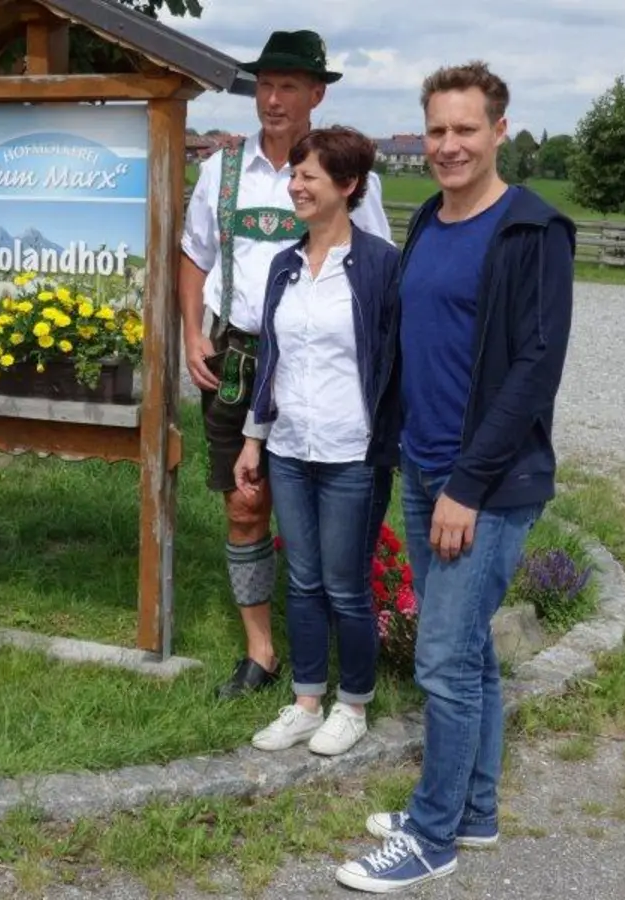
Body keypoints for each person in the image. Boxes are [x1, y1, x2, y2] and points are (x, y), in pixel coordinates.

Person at [335, 61, 575, 893]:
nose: (449, 145)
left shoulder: (533, 231)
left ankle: (431, 836)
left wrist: (467, 486)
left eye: (465, 129)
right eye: (437, 130)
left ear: (499, 131)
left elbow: (534, 371)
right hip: (424, 462)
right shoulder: (430, 225)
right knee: (468, 652)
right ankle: (473, 811)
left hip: (489, 481)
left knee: (439, 659)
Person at [180, 30, 392, 701]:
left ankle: (333, 648)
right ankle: (262, 651)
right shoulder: (223, 170)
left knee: (324, 508)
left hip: (314, 365)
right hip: (237, 354)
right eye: (265, 85)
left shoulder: (354, 180)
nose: (272, 99)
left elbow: (379, 279)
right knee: (245, 508)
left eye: (289, 86)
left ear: (316, 94)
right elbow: (194, 255)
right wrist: (191, 332)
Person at [233, 127, 400, 758]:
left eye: (309, 177)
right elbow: (271, 359)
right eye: (294, 175)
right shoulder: (284, 264)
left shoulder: (382, 266)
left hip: (352, 452)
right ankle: (306, 700)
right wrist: (255, 440)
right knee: (302, 580)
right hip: (290, 449)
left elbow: (396, 360)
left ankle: (352, 703)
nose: (295, 186)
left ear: (348, 186)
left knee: (345, 583)